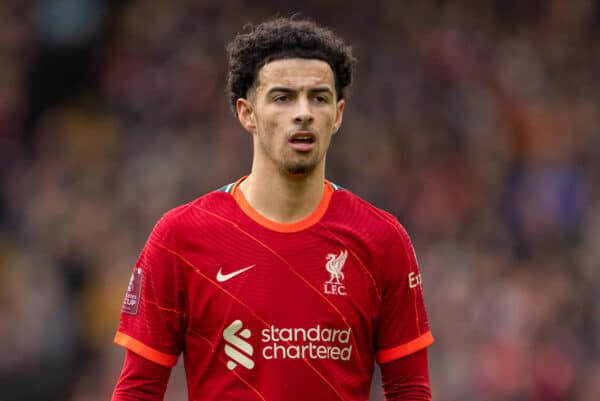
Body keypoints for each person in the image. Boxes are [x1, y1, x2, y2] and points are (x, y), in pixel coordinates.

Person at [111, 17, 434, 401]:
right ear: (247, 113)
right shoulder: (181, 236)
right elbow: (138, 389)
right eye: (283, 97)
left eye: (319, 97)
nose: (304, 113)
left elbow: (409, 389)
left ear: (339, 114)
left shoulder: (382, 239)